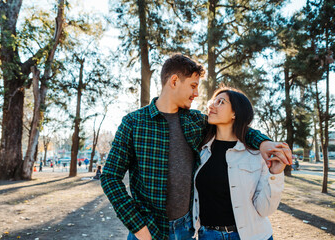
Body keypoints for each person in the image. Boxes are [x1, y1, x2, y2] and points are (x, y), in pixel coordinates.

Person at [101, 54, 292, 240]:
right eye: (193, 86)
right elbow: (110, 176)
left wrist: (264, 143)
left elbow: (238, 128)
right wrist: (138, 227)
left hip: (187, 230)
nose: (197, 93)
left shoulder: (196, 121)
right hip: (148, 229)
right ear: (174, 81)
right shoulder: (133, 123)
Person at [192, 88, 285, 240]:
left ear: (235, 113)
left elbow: (264, 210)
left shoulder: (256, 153)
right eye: (212, 102)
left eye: (221, 102)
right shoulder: (200, 150)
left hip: (252, 235)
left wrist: (275, 175)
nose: (212, 106)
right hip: (207, 235)